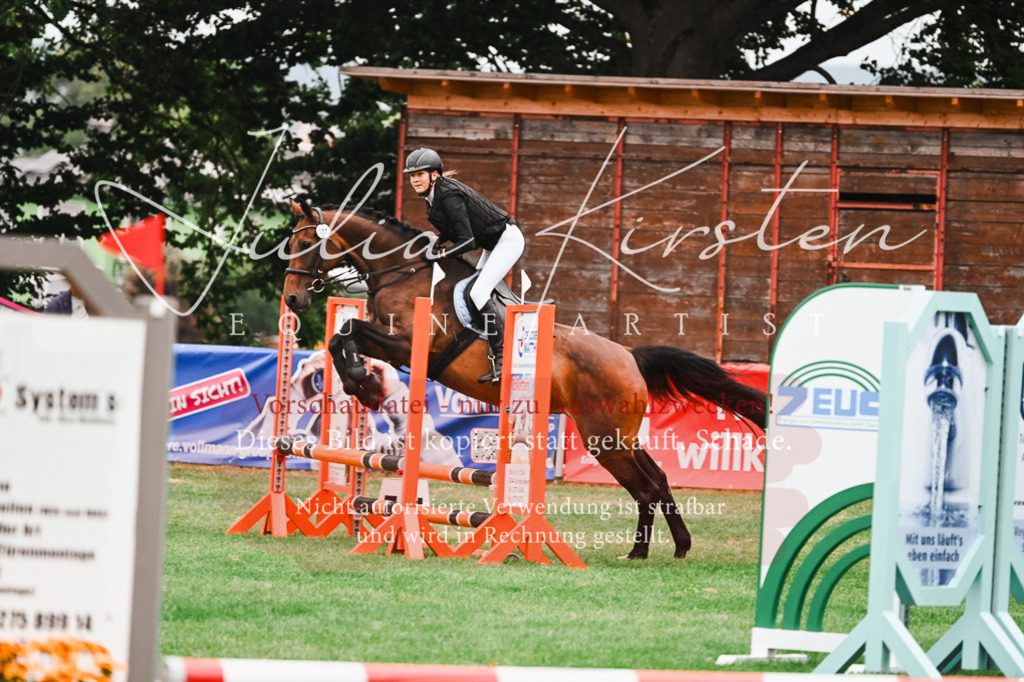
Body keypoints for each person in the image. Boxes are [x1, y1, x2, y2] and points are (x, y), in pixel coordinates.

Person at [403, 148, 525, 383]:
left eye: (420, 174)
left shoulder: (448, 195)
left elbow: (467, 240)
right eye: (411, 175)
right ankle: (495, 339)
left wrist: (442, 255)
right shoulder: (434, 196)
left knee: (478, 291)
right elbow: (452, 230)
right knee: (474, 291)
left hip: (507, 240)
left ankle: (502, 358)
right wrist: (437, 243)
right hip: (493, 243)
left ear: (434, 175)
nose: (415, 180)